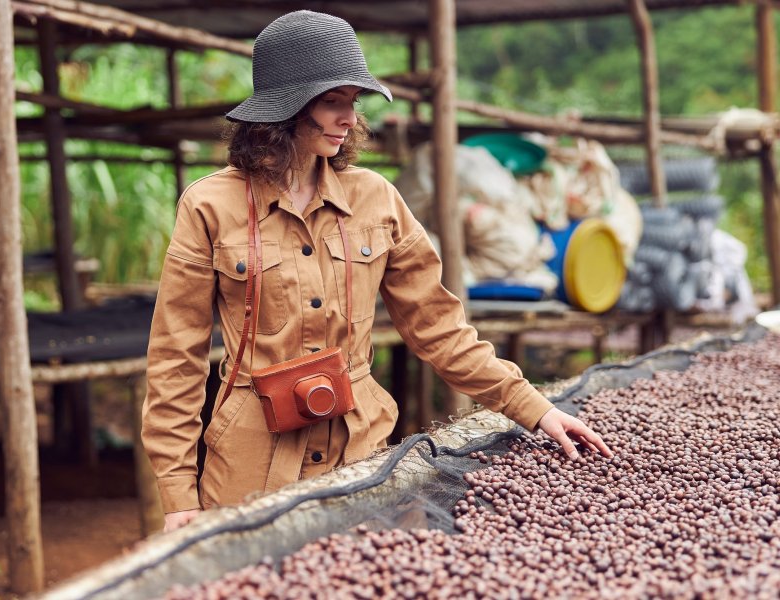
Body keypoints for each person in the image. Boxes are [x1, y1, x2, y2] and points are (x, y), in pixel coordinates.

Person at [142, 10, 612, 533]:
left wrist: (532, 407)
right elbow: (175, 358)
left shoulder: (377, 199)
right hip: (250, 463)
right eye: (332, 102)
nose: (350, 118)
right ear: (284, 110)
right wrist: (178, 493)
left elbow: (438, 326)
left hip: (361, 453)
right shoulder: (211, 205)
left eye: (352, 102)